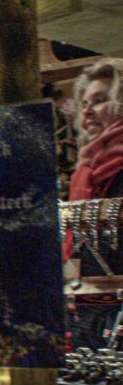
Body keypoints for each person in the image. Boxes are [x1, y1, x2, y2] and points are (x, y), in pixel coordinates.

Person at [67, 58, 123, 348]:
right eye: (85, 103)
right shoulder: (85, 175)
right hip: (87, 319)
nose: (87, 111)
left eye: (100, 101)